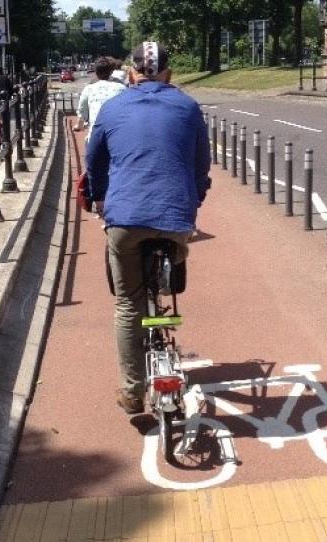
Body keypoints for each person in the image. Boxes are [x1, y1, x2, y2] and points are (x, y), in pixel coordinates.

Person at [86, 42, 211, 414]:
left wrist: (99, 199)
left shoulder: (111, 108)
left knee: (127, 304)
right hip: (176, 216)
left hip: (125, 217)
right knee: (177, 241)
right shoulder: (188, 107)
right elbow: (201, 164)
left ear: (132, 75)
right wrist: (195, 199)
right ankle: (172, 273)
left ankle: (132, 393)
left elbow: (95, 164)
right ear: (169, 74)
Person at [75, 57, 126, 141]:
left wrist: (79, 126)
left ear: (96, 72)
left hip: (96, 136)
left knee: (89, 143)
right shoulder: (121, 88)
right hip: (117, 136)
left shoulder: (89, 88)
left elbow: (81, 113)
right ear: (111, 72)